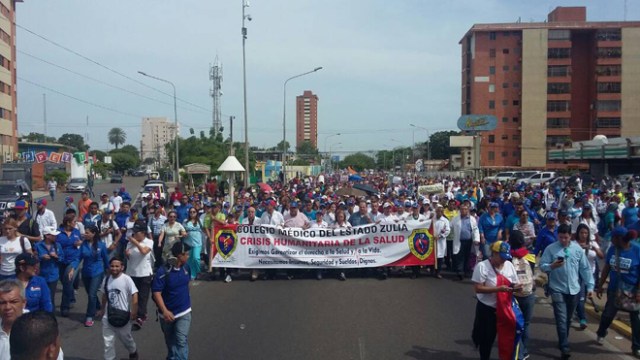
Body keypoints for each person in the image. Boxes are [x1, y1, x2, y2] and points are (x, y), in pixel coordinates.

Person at [540, 223, 594, 359]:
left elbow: (585, 269)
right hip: (557, 289)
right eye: (561, 237)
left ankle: (563, 338)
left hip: (574, 290)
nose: (563, 240)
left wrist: (590, 286)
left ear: (570, 236)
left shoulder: (577, 250)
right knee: (561, 319)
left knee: (568, 319)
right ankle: (564, 346)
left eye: (566, 237)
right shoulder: (551, 249)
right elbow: (542, 265)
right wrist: (551, 266)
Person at [471, 241, 520, 360]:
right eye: (501, 257)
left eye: (506, 257)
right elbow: (478, 288)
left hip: (505, 308)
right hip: (487, 309)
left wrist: (517, 287)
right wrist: (498, 289)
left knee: (509, 336)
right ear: (494, 254)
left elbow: (514, 283)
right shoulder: (482, 266)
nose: (504, 260)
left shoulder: (509, 265)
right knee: (486, 339)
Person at [596, 226, 640, 356]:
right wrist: (600, 285)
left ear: (619, 238)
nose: (611, 241)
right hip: (614, 289)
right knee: (608, 315)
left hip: (632, 291)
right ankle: (601, 332)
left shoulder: (637, 250)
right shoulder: (612, 249)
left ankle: (636, 346)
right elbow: (607, 268)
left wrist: (639, 292)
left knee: (635, 320)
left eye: (613, 238)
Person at [152, 241, 192, 360]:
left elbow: (187, 284)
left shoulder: (186, 267)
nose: (188, 256)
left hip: (184, 312)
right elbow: (156, 292)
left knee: (181, 340)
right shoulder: (163, 271)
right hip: (166, 315)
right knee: (170, 342)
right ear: (180, 255)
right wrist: (165, 311)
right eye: (187, 254)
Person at [96, 257, 139, 360]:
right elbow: (104, 296)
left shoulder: (127, 279)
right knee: (108, 343)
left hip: (123, 315)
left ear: (122, 267)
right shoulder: (106, 279)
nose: (114, 268)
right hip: (108, 316)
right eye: (112, 266)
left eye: (117, 266)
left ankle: (133, 352)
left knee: (126, 340)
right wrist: (102, 310)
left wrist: (134, 311)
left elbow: (134, 294)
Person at [508, 230, 536, 360]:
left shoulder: (508, 258)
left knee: (515, 326)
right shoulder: (531, 257)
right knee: (526, 324)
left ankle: (518, 354)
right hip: (529, 294)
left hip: (514, 296)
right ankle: (524, 351)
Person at [125, 222, 154, 331]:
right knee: (133, 295)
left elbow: (144, 251)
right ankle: (137, 313)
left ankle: (140, 317)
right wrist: (127, 254)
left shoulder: (149, 242)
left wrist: (135, 242)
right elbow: (129, 256)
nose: (134, 234)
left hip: (145, 273)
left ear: (143, 233)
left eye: (137, 232)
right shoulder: (129, 243)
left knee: (143, 296)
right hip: (132, 273)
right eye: (134, 232)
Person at [79, 225, 109, 327]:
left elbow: (106, 260)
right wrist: (72, 268)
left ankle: (89, 316)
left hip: (97, 272)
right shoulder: (83, 244)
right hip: (85, 273)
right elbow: (78, 258)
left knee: (92, 294)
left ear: (93, 234)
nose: (85, 234)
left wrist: (110, 273)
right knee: (90, 294)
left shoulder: (101, 245)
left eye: (87, 232)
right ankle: (97, 306)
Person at [574, 223, 603, 330]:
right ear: (578, 233)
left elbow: (601, 256)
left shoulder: (593, 244)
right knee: (581, 297)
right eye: (581, 233)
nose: (583, 235)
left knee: (585, 295)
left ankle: (577, 311)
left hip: (591, 275)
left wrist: (593, 248)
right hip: (578, 275)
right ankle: (583, 319)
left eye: (586, 233)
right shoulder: (573, 244)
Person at [57, 214, 83, 317]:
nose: (75, 224)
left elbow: (80, 242)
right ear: (68, 223)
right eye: (74, 222)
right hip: (61, 260)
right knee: (64, 282)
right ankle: (71, 297)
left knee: (68, 281)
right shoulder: (58, 232)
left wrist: (79, 243)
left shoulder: (76, 232)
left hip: (73, 260)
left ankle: (65, 307)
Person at [35, 227, 63, 310]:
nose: (56, 237)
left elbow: (62, 258)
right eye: (53, 235)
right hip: (41, 275)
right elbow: (33, 259)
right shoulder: (38, 245)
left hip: (53, 276)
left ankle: (50, 316)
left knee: (50, 298)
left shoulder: (58, 245)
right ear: (47, 236)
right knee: (40, 297)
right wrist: (41, 257)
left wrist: (56, 256)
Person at [451, 204, 480, 280]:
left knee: (467, 256)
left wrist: (476, 238)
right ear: (460, 210)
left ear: (468, 210)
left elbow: (475, 229)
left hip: (469, 241)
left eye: (465, 209)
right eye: (462, 209)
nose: (463, 210)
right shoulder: (455, 219)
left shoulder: (472, 219)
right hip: (459, 241)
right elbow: (449, 226)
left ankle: (466, 271)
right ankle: (459, 272)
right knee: (460, 257)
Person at [183, 208, 203, 280]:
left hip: (197, 243)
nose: (192, 213)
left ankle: (198, 271)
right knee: (189, 260)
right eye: (190, 212)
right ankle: (192, 274)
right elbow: (182, 230)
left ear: (196, 213)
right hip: (188, 243)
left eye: (194, 212)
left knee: (196, 258)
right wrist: (183, 233)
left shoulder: (200, 221)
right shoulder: (185, 221)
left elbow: (205, 229)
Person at [433, 205, 451, 279]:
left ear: (442, 212)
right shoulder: (432, 219)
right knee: (433, 256)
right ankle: (432, 270)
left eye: (440, 211)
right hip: (432, 240)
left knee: (440, 257)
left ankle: (438, 272)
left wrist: (440, 236)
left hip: (440, 241)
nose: (439, 213)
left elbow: (448, 230)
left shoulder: (445, 220)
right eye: (437, 211)